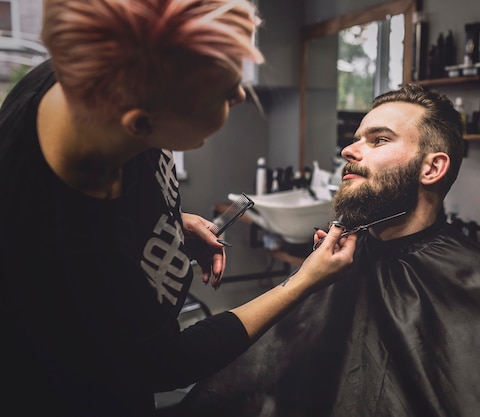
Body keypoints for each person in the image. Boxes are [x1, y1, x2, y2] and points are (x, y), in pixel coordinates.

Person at [0, 1, 356, 416]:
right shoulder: (55, 244)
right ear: (140, 124)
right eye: (225, 94)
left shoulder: (92, 74)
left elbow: (125, 205)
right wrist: (301, 282)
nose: (241, 96)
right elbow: (166, 363)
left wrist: (171, 222)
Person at [177, 84, 480, 417]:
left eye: (379, 140)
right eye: (356, 140)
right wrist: (305, 281)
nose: (349, 151)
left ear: (432, 168)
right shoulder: (336, 267)